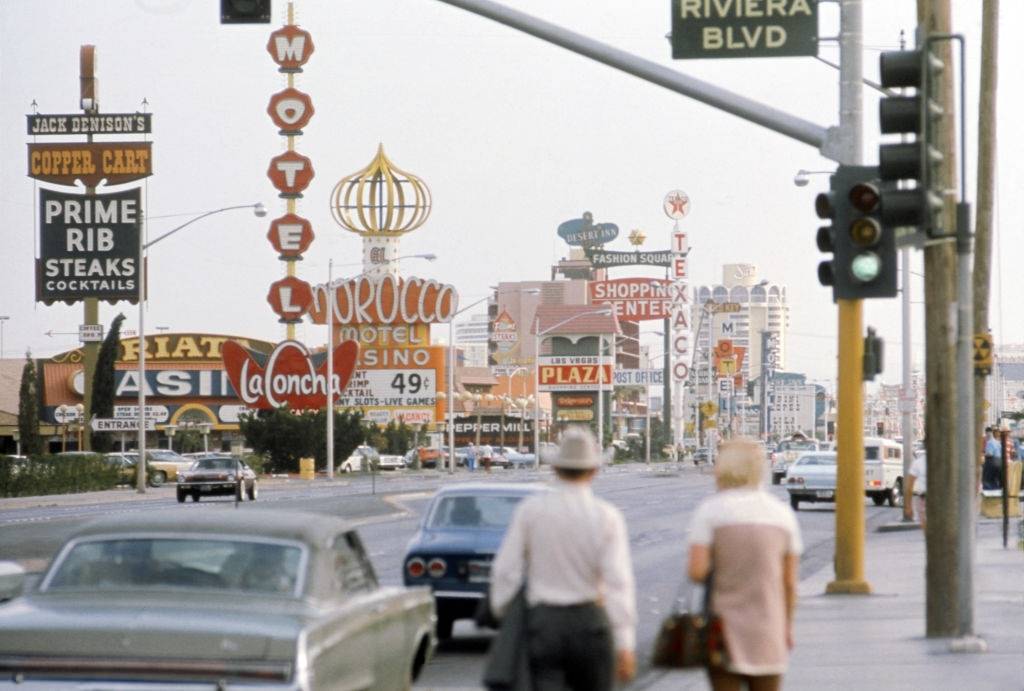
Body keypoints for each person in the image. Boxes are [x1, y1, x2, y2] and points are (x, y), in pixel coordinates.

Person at [490, 427, 636, 690]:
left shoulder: (531, 511)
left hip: (545, 621)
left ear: (555, 470)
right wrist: (625, 642)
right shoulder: (606, 516)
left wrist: (504, 612)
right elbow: (618, 582)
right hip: (590, 620)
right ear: (594, 471)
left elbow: (505, 571)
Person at [687, 438, 802, 691]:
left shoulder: (710, 511)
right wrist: (787, 627)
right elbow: (790, 584)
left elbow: (696, 571)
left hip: (722, 628)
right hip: (768, 626)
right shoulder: (781, 515)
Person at [906, 450, 927, 531]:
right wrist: (908, 506)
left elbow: (909, 485)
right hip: (923, 499)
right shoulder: (918, 463)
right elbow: (909, 485)